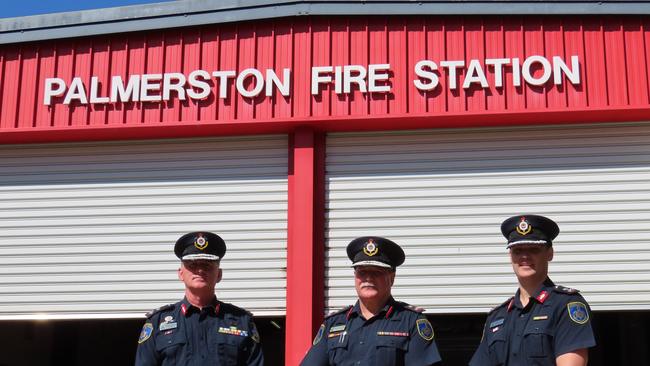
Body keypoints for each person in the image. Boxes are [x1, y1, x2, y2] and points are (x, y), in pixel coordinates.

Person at [469, 215, 596, 366]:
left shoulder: (566, 305)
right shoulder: (497, 317)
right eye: (517, 250)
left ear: (550, 253)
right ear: (510, 256)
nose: (524, 256)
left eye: (533, 249)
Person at [300, 236, 442, 366]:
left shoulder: (411, 322)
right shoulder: (333, 324)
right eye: (362, 272)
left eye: (376, 272)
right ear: (355, 277)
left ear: (392, 278)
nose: (368, 278)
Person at [135, 231, 264, 366]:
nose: (200, 270)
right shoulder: (157, 323)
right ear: (180, 274)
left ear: (219, 274)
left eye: (207, 265)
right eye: (192, 265)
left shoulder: (241, 322)